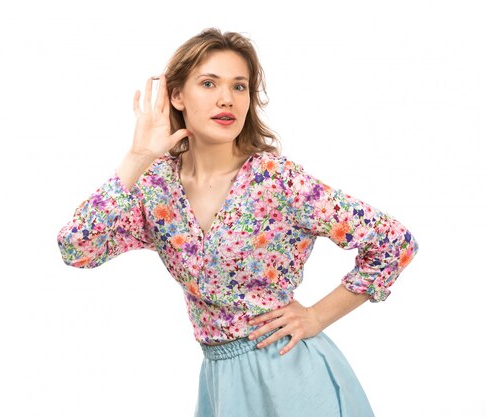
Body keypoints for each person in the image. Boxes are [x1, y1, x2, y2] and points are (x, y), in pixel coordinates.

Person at [57, 27, 418, 417]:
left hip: (291, 375)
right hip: (220, 384)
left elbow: (393, 242)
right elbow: (77, 249)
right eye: (208, 83)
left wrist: (316, 316)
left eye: (239, 86)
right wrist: (137, 156)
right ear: (176, 95)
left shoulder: (275, 180)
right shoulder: (155, 188)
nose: (226, 99)